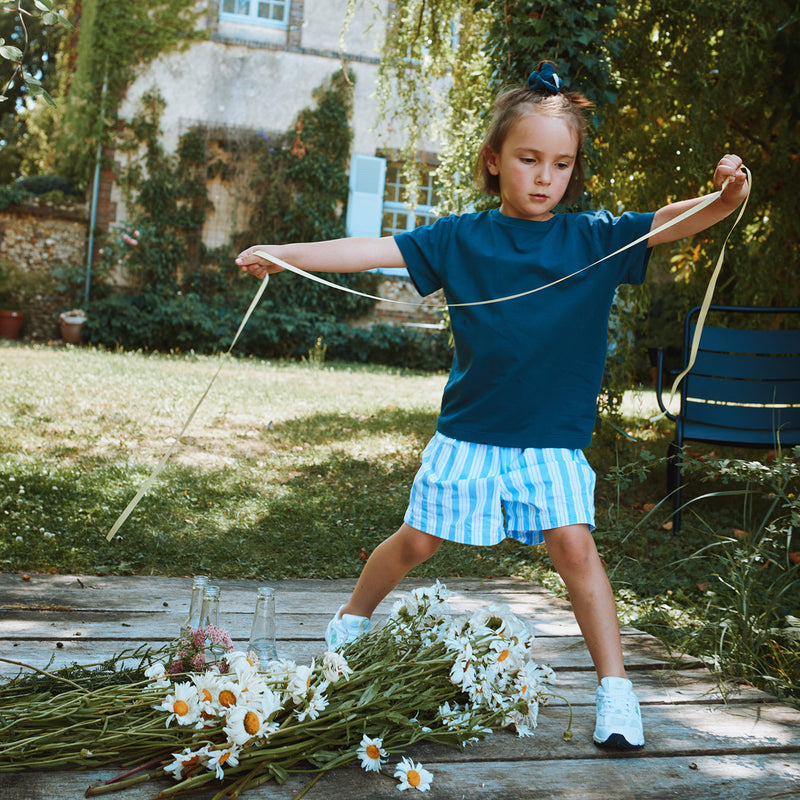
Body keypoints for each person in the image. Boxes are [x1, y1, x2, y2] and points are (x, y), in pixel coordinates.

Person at [236, 61, 749, 750]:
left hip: (552, 441)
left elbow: (681, 220)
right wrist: (283, 252)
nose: (545, 177)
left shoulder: (595, 238)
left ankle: (616, 693)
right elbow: (370, 249)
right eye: (530, 159)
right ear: (494, 159)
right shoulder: (459, 238)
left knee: (575, 546)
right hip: (472, 434)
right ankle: (352, 619)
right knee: (418, 541)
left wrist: (727, 194)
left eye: (561, 164)